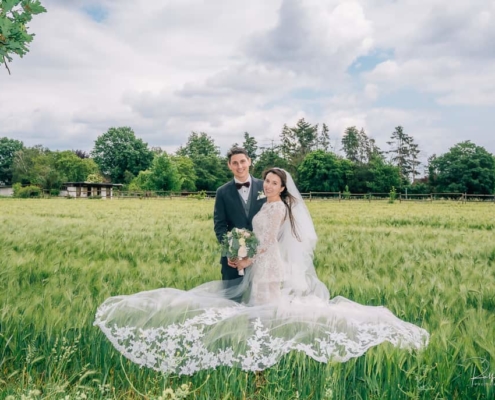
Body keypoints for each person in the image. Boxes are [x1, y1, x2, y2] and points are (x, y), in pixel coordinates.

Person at [94, 168, 429, 376]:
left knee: (265, 313)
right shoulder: (267, 205)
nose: (268, 185)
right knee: (262, 312)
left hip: (268, 267)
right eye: (266, 181)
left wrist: (247, 260)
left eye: (274, 182)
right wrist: (242, 250)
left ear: (283, 188)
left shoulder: (278, 208)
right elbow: (257, 238)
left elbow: (267, 243)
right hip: (262, 264)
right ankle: (260, 358)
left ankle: (261, 361)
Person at [214, 147, 266, 282]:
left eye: (243, 161)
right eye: (235, 163)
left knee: (260, 301)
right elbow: (219, 225)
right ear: (229, 165)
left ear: (249, 161)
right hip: (233, 261)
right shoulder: (222, 192)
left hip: (262, 258)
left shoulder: (265, 187)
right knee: (231, 302)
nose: (240, 166)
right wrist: (230, 250)